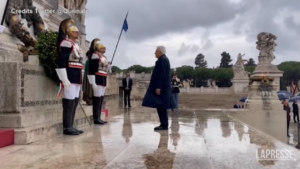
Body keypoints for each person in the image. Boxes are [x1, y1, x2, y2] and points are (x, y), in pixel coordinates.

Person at [55, 18, 84, 135]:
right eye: (75, 31)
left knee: (75, 101)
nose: (77, 33)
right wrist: (64, 79)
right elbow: (62, 62)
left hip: (77, 77)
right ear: (70, 33)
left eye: (78, 32)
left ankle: (71, 125)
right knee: (69, 101)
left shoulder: (75, 45)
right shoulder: (66, 43)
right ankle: (67, 127)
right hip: (70, 76)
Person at [142, 46, 175, 131]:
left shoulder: (162, 60)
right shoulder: (163, 59)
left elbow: (161, 75)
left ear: (160, 52)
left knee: (162, 106)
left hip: (162, 88)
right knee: (161, 106)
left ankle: (164, 125)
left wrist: (158, 87)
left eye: (156, 52)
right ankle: (163, 124)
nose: (154, 53)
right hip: (163, 88)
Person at [86, 38, 109, 125]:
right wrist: (93, 82)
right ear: (98, 48)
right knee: (97, 99)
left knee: (101, 98)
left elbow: (105, 68)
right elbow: (92, 70)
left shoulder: (104, 57)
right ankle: (96, 118)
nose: (105, 49)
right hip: (97, 78)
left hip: (103, 78)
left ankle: (98, 116)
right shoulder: (95, 56)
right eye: (103, 47)